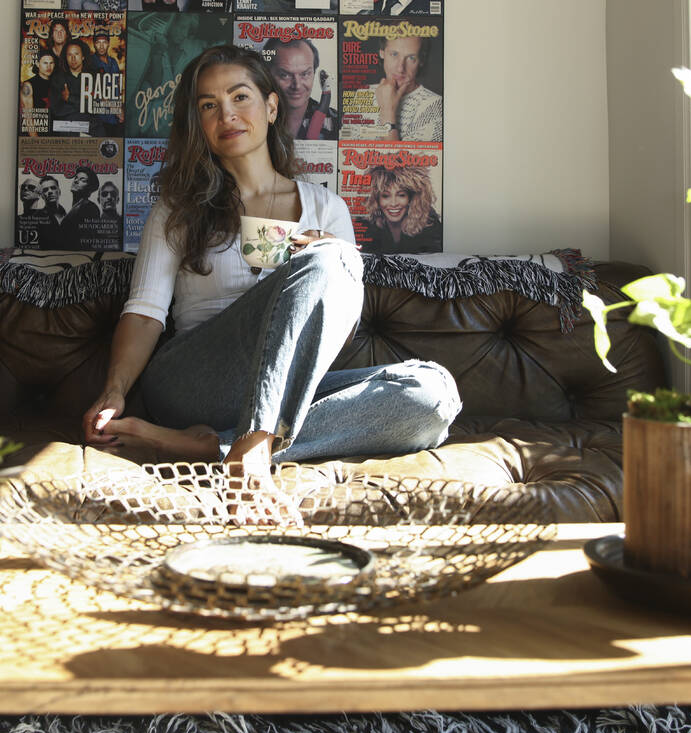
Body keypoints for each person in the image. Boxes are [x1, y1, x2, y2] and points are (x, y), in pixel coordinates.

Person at [82, 45, 460, 516]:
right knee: (331, 261)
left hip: (282, 389)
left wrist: (324, 261)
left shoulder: (327, 208)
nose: (227, 114)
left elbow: (337, 330)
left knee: (432, 393)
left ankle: (216, 447)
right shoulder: (177, 211)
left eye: (240, 97)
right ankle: (253, 450)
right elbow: (144, 314)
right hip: (196, 378)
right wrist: (114, 389)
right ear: (198, 122)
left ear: (271, 105)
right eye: (208, 105)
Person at [263, 38, 339, 141]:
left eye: (305, 74)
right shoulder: (254, 117)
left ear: (313, 74)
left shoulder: (336, 121)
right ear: (267, 75)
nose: (297, 86)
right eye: (284, 75)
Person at [369, 35, 442, 141]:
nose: (400, 68)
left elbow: (396, 157)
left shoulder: (434, 106)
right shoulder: (362, 93)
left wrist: (387, 111)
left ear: (421, 60)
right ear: (382, 53)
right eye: (394, 54)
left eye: (411, 58)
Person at [362, 165, 441, 253]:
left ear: (411, 198)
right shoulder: (366, 226)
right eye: (385, 196)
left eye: (401, 195)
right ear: (376, 199)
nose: (393, 203)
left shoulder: (429, 224)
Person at [60, 167, 101, 249]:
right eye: (76, 178)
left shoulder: (90, 208)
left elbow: (88, 242)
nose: (75, 181)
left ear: (90, 188)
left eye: (83, 180)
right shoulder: (76, 207)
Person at [19, 51, 56, 137]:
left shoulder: (56, 82)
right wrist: (36, 142)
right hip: (35, 135)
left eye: (51, 63)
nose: (48, 67)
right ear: (38, 64)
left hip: (52, 134)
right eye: (45, 63)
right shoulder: (28, 85)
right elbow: (28, 119)